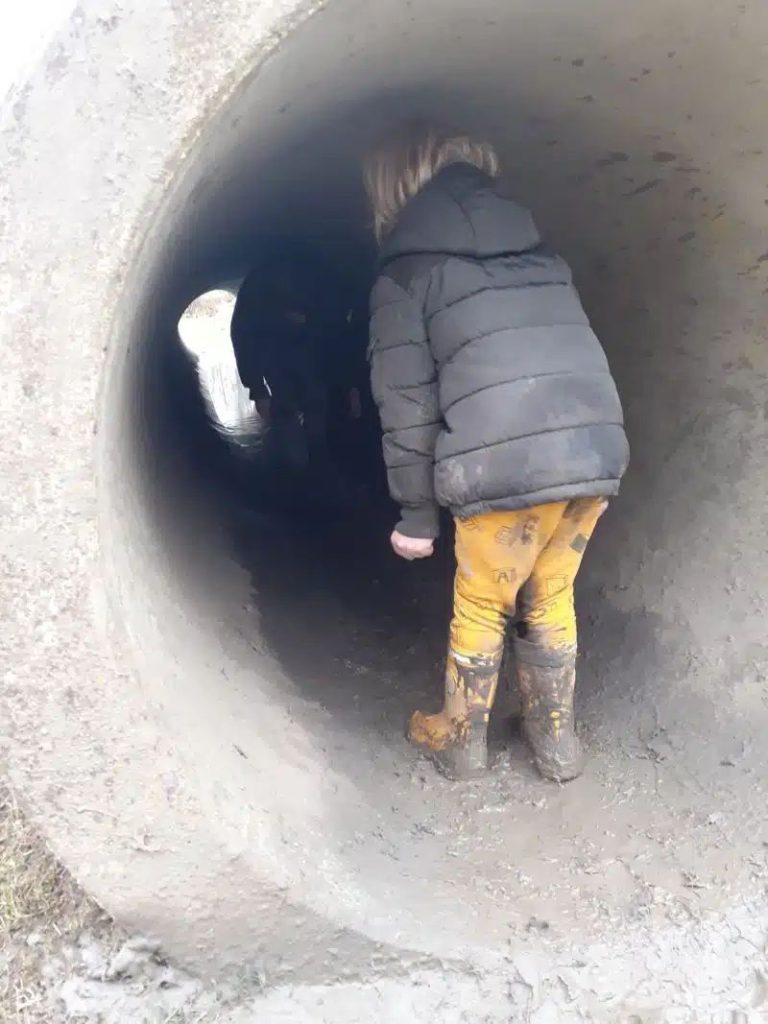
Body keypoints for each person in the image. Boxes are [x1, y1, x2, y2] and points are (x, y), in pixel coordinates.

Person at [363, 126, 629, 782]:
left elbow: (407, 406)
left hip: (502, 467)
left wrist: (416, 516)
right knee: (550, 592)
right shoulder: (542, 255)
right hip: (592, 450)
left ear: (391, 190)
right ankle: (556, 743)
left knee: (484, 601)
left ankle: (459, 740)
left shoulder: (406, 275)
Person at [230, 243, 365, 488]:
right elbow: (244, 336)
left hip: (312, 358)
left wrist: (351, 386)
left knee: (317, 404)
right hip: (275, 358)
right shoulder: (260, 290)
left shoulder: (328, 291)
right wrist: (258, 390)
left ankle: (317, 470)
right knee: (286, 413)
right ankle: (295, 480)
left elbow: (342, 339)